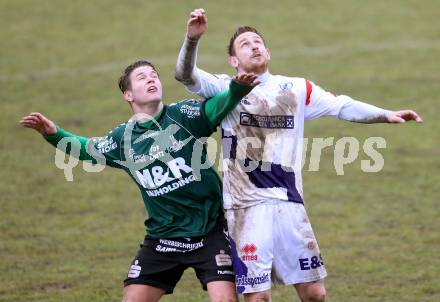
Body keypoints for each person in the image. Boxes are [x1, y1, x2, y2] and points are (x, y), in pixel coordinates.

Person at [174, 8, 423, 302]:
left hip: (290, 206)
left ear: (267, 51)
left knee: (315, 293)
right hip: (246, 208)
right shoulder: (226, 88)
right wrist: (192, 40)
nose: (253, 45)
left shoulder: (295, 88)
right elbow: (185, 75)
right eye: (244, 44)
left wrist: (385, 114)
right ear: (233, 61)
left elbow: (341, 105)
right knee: (258, 298)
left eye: (257, 42)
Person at [20, 59, 259, 302]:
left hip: (211, 231)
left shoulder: (183, 115)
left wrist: (237, 90)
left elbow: (216, 106)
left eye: (154, 75)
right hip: (163, 237)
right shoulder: (123, 139)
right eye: (142, 77)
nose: (151, 79)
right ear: (128, 95)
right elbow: (87, 149)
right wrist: (53, 133)